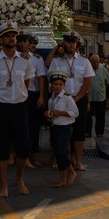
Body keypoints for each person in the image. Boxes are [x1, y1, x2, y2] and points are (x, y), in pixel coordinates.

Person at [0, 21, 35, 197]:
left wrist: (19, 96)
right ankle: (3, 185)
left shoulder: (25, 61)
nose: (11, 38)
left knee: (22, 147)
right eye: (7, 36)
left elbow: (26, 83)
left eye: (13, 36)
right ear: (1, 39)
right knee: (2, 148)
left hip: (19, 107)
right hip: (0, 109)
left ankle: (19, 178)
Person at [47, 31, 94, 171]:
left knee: (79, 132)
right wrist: (56, 48)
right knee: (59, 129)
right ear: (64, 43)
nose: (71, 44)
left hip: (78, 99)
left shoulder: (84, 60)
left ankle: (78, 162)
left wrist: (78, 97)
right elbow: (49, 71)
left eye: (73, 42)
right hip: (61, 99)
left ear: (76, 44)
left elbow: (88, 81)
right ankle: (57, 158)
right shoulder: (57, 60)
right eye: (68, 41)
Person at [17, 31, 46, 168]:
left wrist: (41, 96)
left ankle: (32, 156)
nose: (22, 44)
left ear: (29, 43)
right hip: (16, 95)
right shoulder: (14, 57)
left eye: (25, 41)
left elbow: (40, 78)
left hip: (31, 95)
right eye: (20, 41)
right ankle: (19, 155)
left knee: (33, 127)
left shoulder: (36, 59)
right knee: (19, 127)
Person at [45, 69, 79, 187]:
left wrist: (60, 113)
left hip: (65, 128)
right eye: (55, 84)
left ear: (64, 85)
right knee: (57, 153)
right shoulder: (51, 100)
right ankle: (62, 179)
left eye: (60, 84)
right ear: (51, 85)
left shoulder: (67, 98)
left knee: (61, 152)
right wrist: (49, 116)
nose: (58, 86)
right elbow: (52, 118)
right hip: (55, 128)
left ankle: (71, 172)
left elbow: (75, 113)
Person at [85, 54, 109, 138]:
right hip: (90, 97)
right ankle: (88, 132)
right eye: (94, 62)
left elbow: (107, 83)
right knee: (88, 115)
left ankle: (100, 133)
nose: (96, 63)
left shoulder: (104, 70)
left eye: (97, 62)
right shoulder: (87, 70)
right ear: (90, 61)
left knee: (101, 116)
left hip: (101, 97)